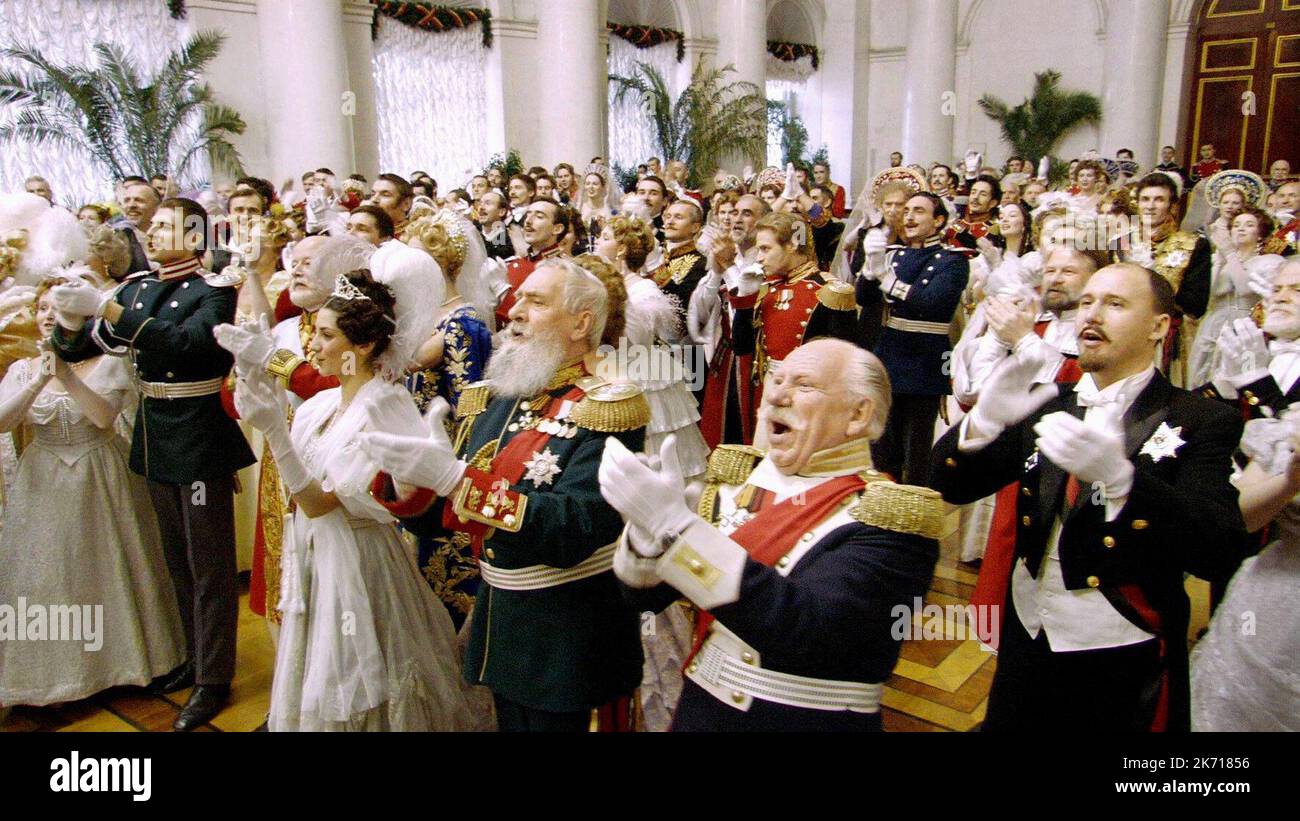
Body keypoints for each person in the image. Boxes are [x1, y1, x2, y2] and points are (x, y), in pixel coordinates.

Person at [930, 263, 1247, 732]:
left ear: (1159, 326)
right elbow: (949, 485)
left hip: (1119, 645)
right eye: (1087, 302)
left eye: (1115, 304)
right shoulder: (1048, 399)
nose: (1092, 315)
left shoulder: (1201, 419)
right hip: (1027, 633)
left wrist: (1126, 484)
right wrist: (982, 424)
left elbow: (1218, 549)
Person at [362, 258, 649, 731]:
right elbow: (451, 519)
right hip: (502, 620)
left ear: (581, 323)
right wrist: (411, 484)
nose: (515, 309)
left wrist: (457, 481)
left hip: (568, 637)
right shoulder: (493, 398)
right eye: (519, 297)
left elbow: (574, 527)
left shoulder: (608, 408)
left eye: (536, 302)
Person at [603, 339, 943, 730]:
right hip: (699, 709)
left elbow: (811, 635)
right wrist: (648, 537)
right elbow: (645, 599)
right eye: (776, 380)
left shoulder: (890, 517)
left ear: (857, 414)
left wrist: (676, 530)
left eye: (804, 385)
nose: (778, 395)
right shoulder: (735, 484)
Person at [229, 264, 486, 731]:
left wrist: (273, 432)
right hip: (312, 551)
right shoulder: (323, 405)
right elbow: (298, 489)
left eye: (326, 336)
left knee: (358, 675)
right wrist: (251, 372)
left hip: (356, 559)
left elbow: (319, 502)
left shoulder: (386, 405)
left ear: (363, 345)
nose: (312, 346)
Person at [49, 197, 256, 731]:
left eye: (165, 224)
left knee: (209, 566)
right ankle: (193, 658)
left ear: (194, 234)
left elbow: (190, 345)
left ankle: (214, 678)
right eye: (153, 225)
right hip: (156, 435)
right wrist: (70, 317)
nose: (152, 231)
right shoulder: (139, 286)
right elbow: (83, 350)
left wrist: (110, 307)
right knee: (177, 561)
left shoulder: (214, 291)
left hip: (199, 435)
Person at [0, 279, 186, 707]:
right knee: (51, 572)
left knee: (109, 564)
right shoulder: (21, 369)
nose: (49, 315)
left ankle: (123, 667)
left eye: (58, 308)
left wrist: (65, 375)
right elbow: (5, 423)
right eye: (42, 307)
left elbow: (103, 418)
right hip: (44, 476)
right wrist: (38, 381)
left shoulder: (110, 363)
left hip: (101, 471)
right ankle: (57, 675)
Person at [215, 235, 372, 637]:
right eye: (295, 261)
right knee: (280, 574)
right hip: (280, 458)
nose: (298, 268)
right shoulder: (282, 328)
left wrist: (272, 360)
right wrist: (246, 371)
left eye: (311, 260)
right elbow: (234, 403)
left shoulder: (359, 337)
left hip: (332, 460)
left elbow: (334, 385)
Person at [1191, 260, 1300, 730]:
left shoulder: (1265, 367)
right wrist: (1226, 387)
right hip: (1259, 537)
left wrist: (1261, 391)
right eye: (1276, 287)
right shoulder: (1258, 352)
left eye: (1297, 289)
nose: (1279, 295)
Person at [861, 192, 970, 485]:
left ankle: (912, 516)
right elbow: (864, 297)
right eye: (906, 210)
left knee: (917, 452)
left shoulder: (953, 261)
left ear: (938, 220)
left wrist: (889, 280)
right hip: (890, 355)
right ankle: (881, 506)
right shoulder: (894, 254)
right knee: (882, 447)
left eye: (919, 211)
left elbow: (933, 302)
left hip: (925, 361)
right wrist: (870, 266)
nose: (908, 216)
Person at [730, 211, 857, 441]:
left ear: (791, 245)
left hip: (811, 397)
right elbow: (741, 347)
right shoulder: (766, 289)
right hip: (772, 390)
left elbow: (846, 365)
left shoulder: (830, 291)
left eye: (766, 249)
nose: (758, 258)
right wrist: (745, 299)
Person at [1119, 173, 1212, 385]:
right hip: (1124, 333)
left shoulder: (1193, 244)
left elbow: (1196, 305)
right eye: (1145, 199)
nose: (1150, 206)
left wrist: (1157, 280)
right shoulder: (1120, 243)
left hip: (1166, 340)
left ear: (1172, 205)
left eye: (1159, 199)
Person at [1189, 207, 1285, 388]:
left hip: (1244, 325)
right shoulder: (1221, 259)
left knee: (1239, 377)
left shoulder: (1269, 261)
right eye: (1236, 225)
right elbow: (1208, 295)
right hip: (1212, 324)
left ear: (1260, 234)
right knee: (1200, 377)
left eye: (1249, 225)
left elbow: (1244, 289)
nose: (1240, 229)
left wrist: (1230, 253)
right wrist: (1219, 260)